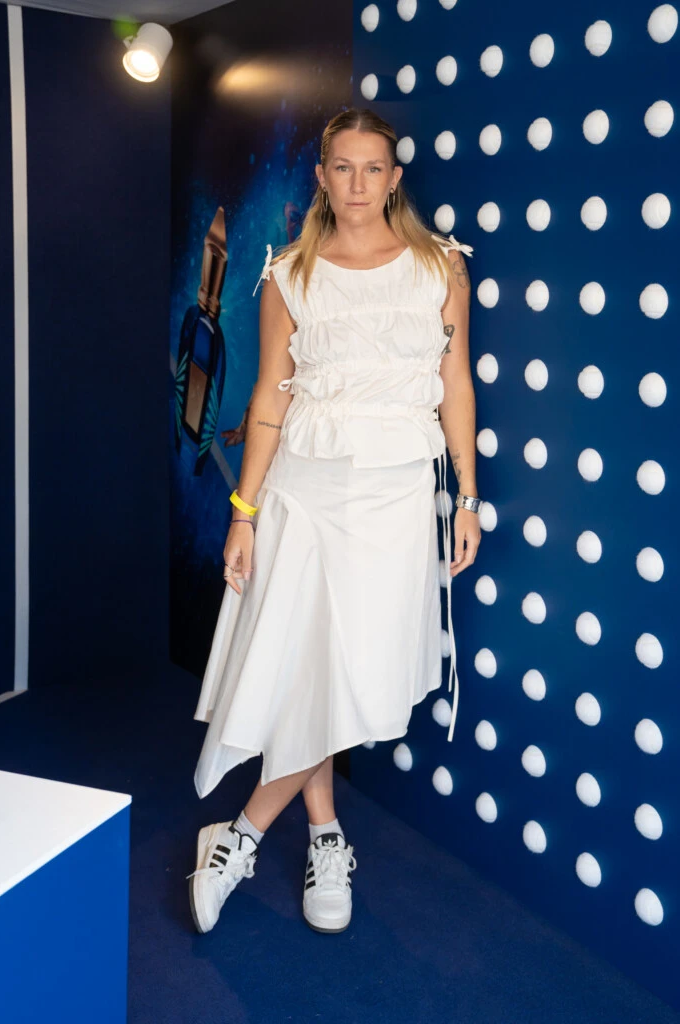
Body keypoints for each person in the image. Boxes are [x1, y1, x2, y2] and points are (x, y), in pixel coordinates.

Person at [186, 107, 482, 936]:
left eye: (372, 168)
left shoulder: (441, 266)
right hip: (303, 493)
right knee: (310, 664)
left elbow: (455, 384)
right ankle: (322, 834)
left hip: (394, 498)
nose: (357, 183)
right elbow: (268, 401)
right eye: (341, 168)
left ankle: (241, 831)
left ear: (394, 178)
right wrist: (244, 511)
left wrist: (466, 497)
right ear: (321, 178)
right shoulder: (289, 274)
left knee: (353, 675)